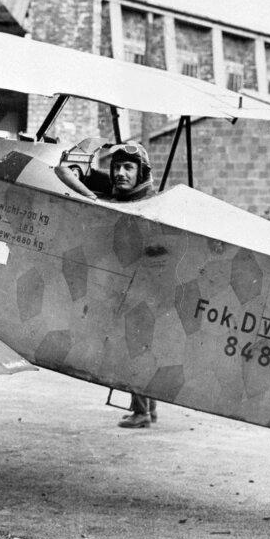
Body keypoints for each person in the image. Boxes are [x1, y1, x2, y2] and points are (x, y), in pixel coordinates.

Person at [100, 141, 159, 428]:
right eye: (116, 167)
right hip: (144, 289)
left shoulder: (140, 204)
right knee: (141, 349)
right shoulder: (141, 197)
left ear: (141, 172)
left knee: (130, 350)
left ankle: (141, 413)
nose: (121, 173)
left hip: (138, 289)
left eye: (128, 168)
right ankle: (150, 409)